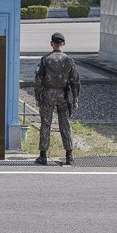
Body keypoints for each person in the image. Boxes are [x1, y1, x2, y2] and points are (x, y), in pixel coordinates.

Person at [34, 32, 81, 165]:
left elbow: (38, 80)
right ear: (63, 44)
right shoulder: (69, 60)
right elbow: (75, 81)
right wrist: (75, 98)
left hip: (47, 95)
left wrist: (37, 96)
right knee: (65, 124)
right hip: (63, 96)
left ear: (51, 44)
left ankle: (43, 156)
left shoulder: (45, 59)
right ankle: (69, 155)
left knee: (45, 124)